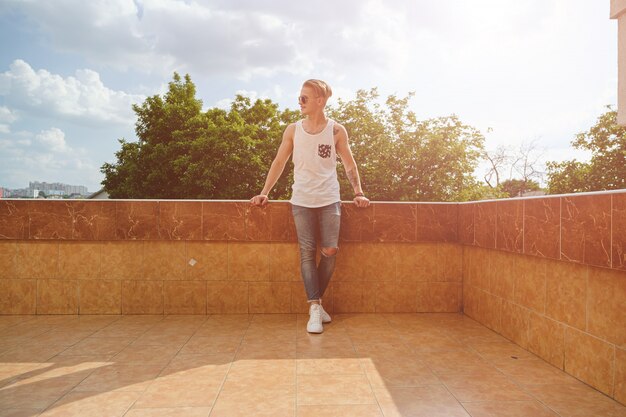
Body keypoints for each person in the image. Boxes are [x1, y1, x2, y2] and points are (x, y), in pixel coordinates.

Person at [250, 79, 370, 333]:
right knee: (306, 253)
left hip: (329, 199)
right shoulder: (293, 130)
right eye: (300, 97)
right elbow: (279, 161)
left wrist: (358, 192)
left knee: (329, 251)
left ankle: (317, 302)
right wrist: (264, 192)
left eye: (305, 98)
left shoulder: (337, 131)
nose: (300, 101)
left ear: (320, 101)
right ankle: (314, 306)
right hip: (302, 200)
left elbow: (349, 164)